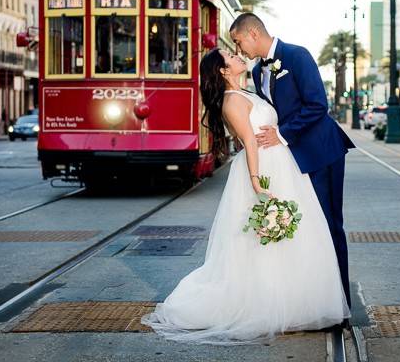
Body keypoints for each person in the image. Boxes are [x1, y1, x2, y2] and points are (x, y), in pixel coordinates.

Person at [141, 47, 350, 344]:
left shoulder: (248, 91)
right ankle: (269, 304)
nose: (238, 55)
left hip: (282, 164)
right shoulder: (231, 101)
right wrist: (256, 182)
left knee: (291, 235)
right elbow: (249, 142)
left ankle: (290, 300)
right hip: (265, 167)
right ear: (224, 71)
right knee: (266, 237)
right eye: (230, 55)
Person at [231, 13, 356, 314]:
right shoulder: (259, 70)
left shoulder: (297, 56)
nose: (239, 49)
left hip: (322, 152)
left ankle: (340, 302)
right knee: (309, 229)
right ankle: (314, 298)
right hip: (291, 161)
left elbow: (318, 105)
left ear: (252, 34)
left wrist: (282, 134)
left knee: (329, 225)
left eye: (238, 41)